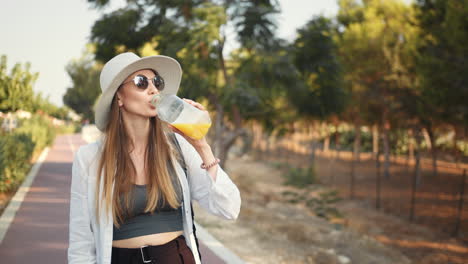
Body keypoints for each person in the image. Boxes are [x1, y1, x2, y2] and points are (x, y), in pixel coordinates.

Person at [68, 52, 241, 264]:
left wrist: (201, 146)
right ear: (119, 97)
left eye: (156, 82)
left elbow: (229, 209)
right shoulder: (90, 158)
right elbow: (80, 241)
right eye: (141, 82)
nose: (153, 89)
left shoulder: (178, 147)